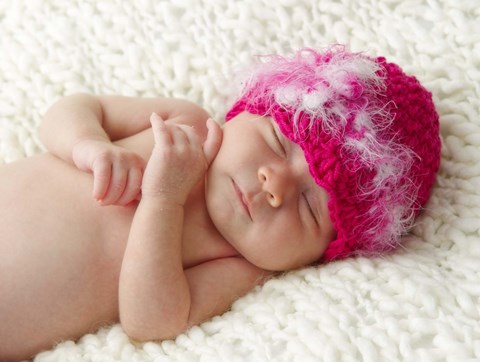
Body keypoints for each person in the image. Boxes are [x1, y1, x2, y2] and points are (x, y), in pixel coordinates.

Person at [0, 46, 440, 361]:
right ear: (243, 112)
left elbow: (150, 321)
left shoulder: (238, 262)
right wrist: (88, 146)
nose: (275, 185)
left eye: (309, 208)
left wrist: (163, 200)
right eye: (276, 142)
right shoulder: (185, 124)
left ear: (318, 256)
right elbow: (77, 106)